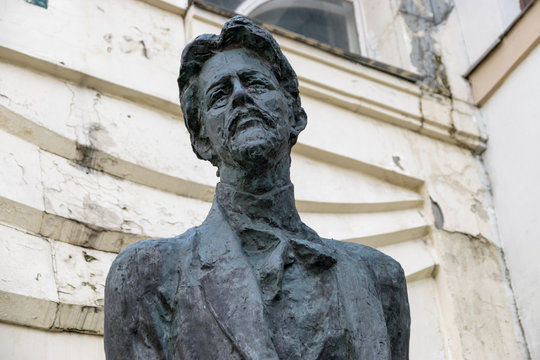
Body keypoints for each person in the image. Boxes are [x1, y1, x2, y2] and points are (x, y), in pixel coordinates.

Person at [104, 16, 410, 360]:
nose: (240, 96)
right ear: (202, 141)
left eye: (255, 83)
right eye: (220, 95)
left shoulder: (381, 279)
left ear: (295, 113)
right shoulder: (148, 276)